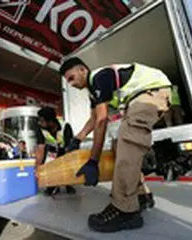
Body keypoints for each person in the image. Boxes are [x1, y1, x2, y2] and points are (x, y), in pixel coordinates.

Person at [60, 58, 172, 232]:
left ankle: (125, 210)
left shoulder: (99, 77)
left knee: (128, 140)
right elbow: (94, 118)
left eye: (71, 77)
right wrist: (78, 139)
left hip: (150, 92)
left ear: (82, 69)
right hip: (142, 95)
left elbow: (102, 120)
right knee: (118, 146)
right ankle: (140, 196)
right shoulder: (94, 89)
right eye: (68, 81)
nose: (71, 84)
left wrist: (93, 161)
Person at [35, 106, 76, 196]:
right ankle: (52, 186)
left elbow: (70, 148)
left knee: (66, 166)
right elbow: (40, 148)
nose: (39, 123)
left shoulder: (65, 127)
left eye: (42, 121)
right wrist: (38, 167)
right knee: (49, 166)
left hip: (65, 151)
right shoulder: (40, 129)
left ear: (50, 121)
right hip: (51, 151)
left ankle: (68, 184)